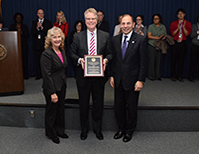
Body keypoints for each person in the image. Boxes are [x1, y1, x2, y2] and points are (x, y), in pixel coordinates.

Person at [69, 8, 113, 140]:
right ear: (85, 20)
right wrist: (79, 60)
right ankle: (84, 129)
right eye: (88, 19)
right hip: (83, 76)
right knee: (83, 104)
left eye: (93, 18)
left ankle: (97, 129)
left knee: (98, 104)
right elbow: (71, 53)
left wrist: (106, 60)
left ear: (97, 19)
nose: (91, 21)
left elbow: (110, 53)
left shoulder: (105, 35)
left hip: (99, 77)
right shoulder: (77, 36)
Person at [110, 14, 147, 143]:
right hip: (118, 80)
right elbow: (113, 60)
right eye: (123, 23)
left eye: (128, 23)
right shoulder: (115, 39)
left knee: (131, 107)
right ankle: (121, 129)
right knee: (118, 107)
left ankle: (129, 131)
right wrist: (112, 76)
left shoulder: (141, 39)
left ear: (133, 25)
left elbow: (143, 62)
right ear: (120, 24)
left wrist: (140, 80)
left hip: (133, 81)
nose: (125, 26)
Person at [41, 27, 68, 144]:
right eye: (54, 37)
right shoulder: (46, 54)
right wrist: (52, 92)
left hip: (61, 85)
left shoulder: (61, 51)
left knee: (60, 110)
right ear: (49, 39)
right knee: (52, 112)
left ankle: (60, 131)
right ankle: (51, 133)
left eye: (59, 37)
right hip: (51, 87)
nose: (57, 39)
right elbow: (46, 75)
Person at [169, 8, 192, 82]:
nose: (180, 15)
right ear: (177, 15)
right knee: (174, 60)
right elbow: (172, 34)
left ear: (184, 15)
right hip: (175, 43)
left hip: (183, 43)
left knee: (181, 60)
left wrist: (183, 27)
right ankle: (173, 75)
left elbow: (187, 34)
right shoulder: (173, 23)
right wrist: (178, 28)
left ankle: (180, 76)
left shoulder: (187, 23)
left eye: (182, 13)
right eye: (179, 13)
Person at [31, 9, 52, 80]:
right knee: (37, 60)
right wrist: (37, 28)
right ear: (37, 14)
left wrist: (42, 28)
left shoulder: (48, 22)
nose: (41, 15)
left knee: (46, 61)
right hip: (36, 45)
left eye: (42, 13)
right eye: (39, 13)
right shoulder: (34, 22)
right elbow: (32, 33)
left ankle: (46, 75)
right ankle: (38, 75)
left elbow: (48, 34)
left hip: (45, 44)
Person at [9, 12, 30, 79]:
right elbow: (9, 35)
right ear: (15, 19)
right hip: (14, 46)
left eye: (19, 17)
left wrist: (21, 32)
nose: (18, 19)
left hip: (23, 46)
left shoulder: (24, 26)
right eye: (17, 17)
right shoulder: (12, 26)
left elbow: (27, 35)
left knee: (24, 60)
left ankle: (25, 75)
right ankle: (16, 75)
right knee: (15, 61)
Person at [147, 14, 167, 81]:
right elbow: (149, 36)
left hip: (160, 46)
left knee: (159, 61)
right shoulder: (151, 26)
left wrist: (163, 37)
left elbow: (165, 35)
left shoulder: (163, 27)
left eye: (156, 18)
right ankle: (151, 76)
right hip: (152, 45)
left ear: (160, 19)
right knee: (151, 61)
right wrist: (158, 38)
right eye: (154, 19)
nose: (155, 20)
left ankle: (158, 76)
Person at [188, 15, 199, 82]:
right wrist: (197, 32)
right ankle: (191, 76)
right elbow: (191, 35)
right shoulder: (194, 26)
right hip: (195, 45)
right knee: (193, 62)